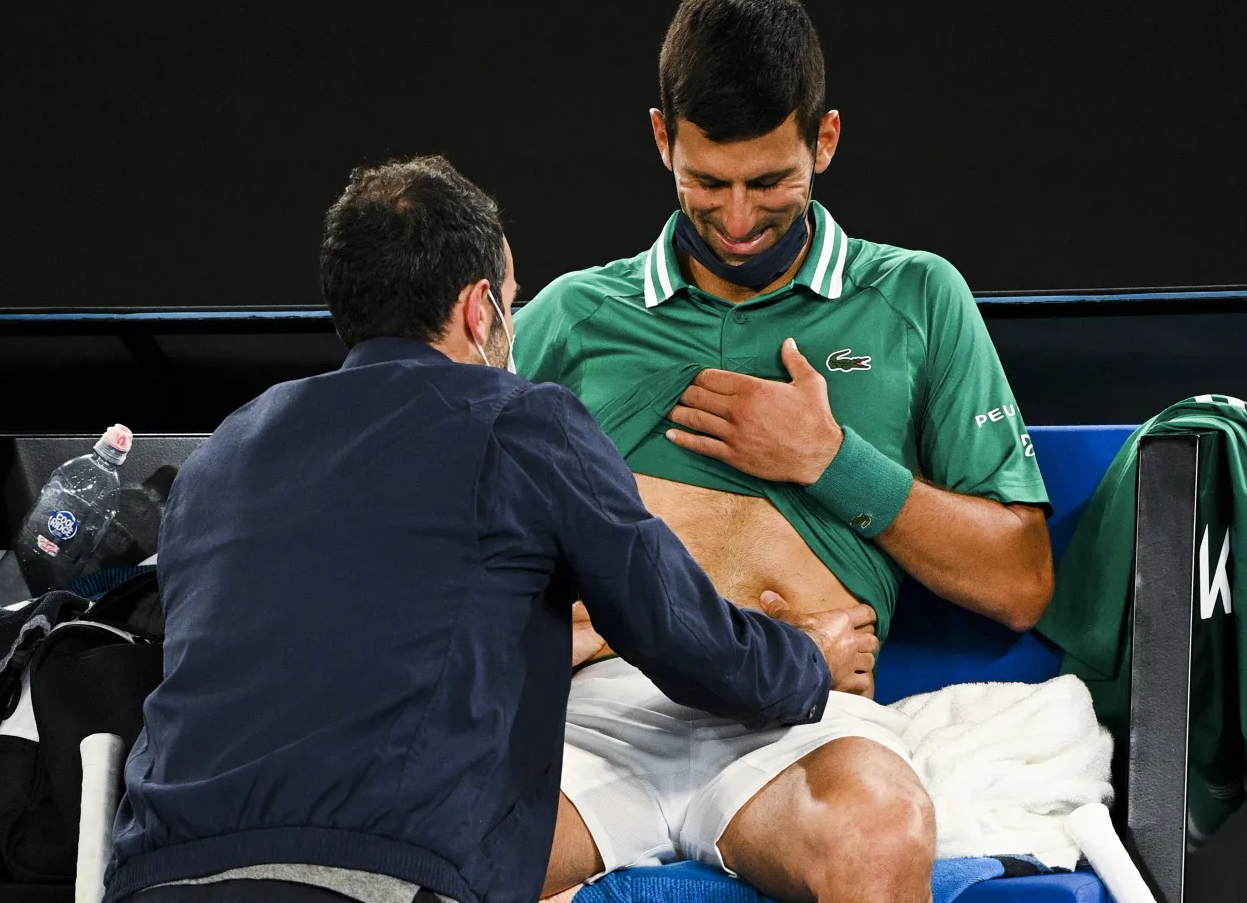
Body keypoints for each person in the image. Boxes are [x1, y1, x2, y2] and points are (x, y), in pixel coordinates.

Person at [103, 156, 878, 903]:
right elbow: (682, 635)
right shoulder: (520, 422)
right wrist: (810, 659)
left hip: (153, 874)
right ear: (481, 311)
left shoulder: (222, 452)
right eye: (512, 295)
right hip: (371, 872)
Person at [514, 0, 1054, 903]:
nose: (734, 218)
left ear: (826, 140)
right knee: (429, 837)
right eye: (706, 182)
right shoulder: (568, 316)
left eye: (768, 182)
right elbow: (442, 544)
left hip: (804, 720)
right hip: (597, 716)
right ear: (662, 141)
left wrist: (830, 459)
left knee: (880, 836)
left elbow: (1021, 581)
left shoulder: (918, 297)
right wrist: (571, 631)